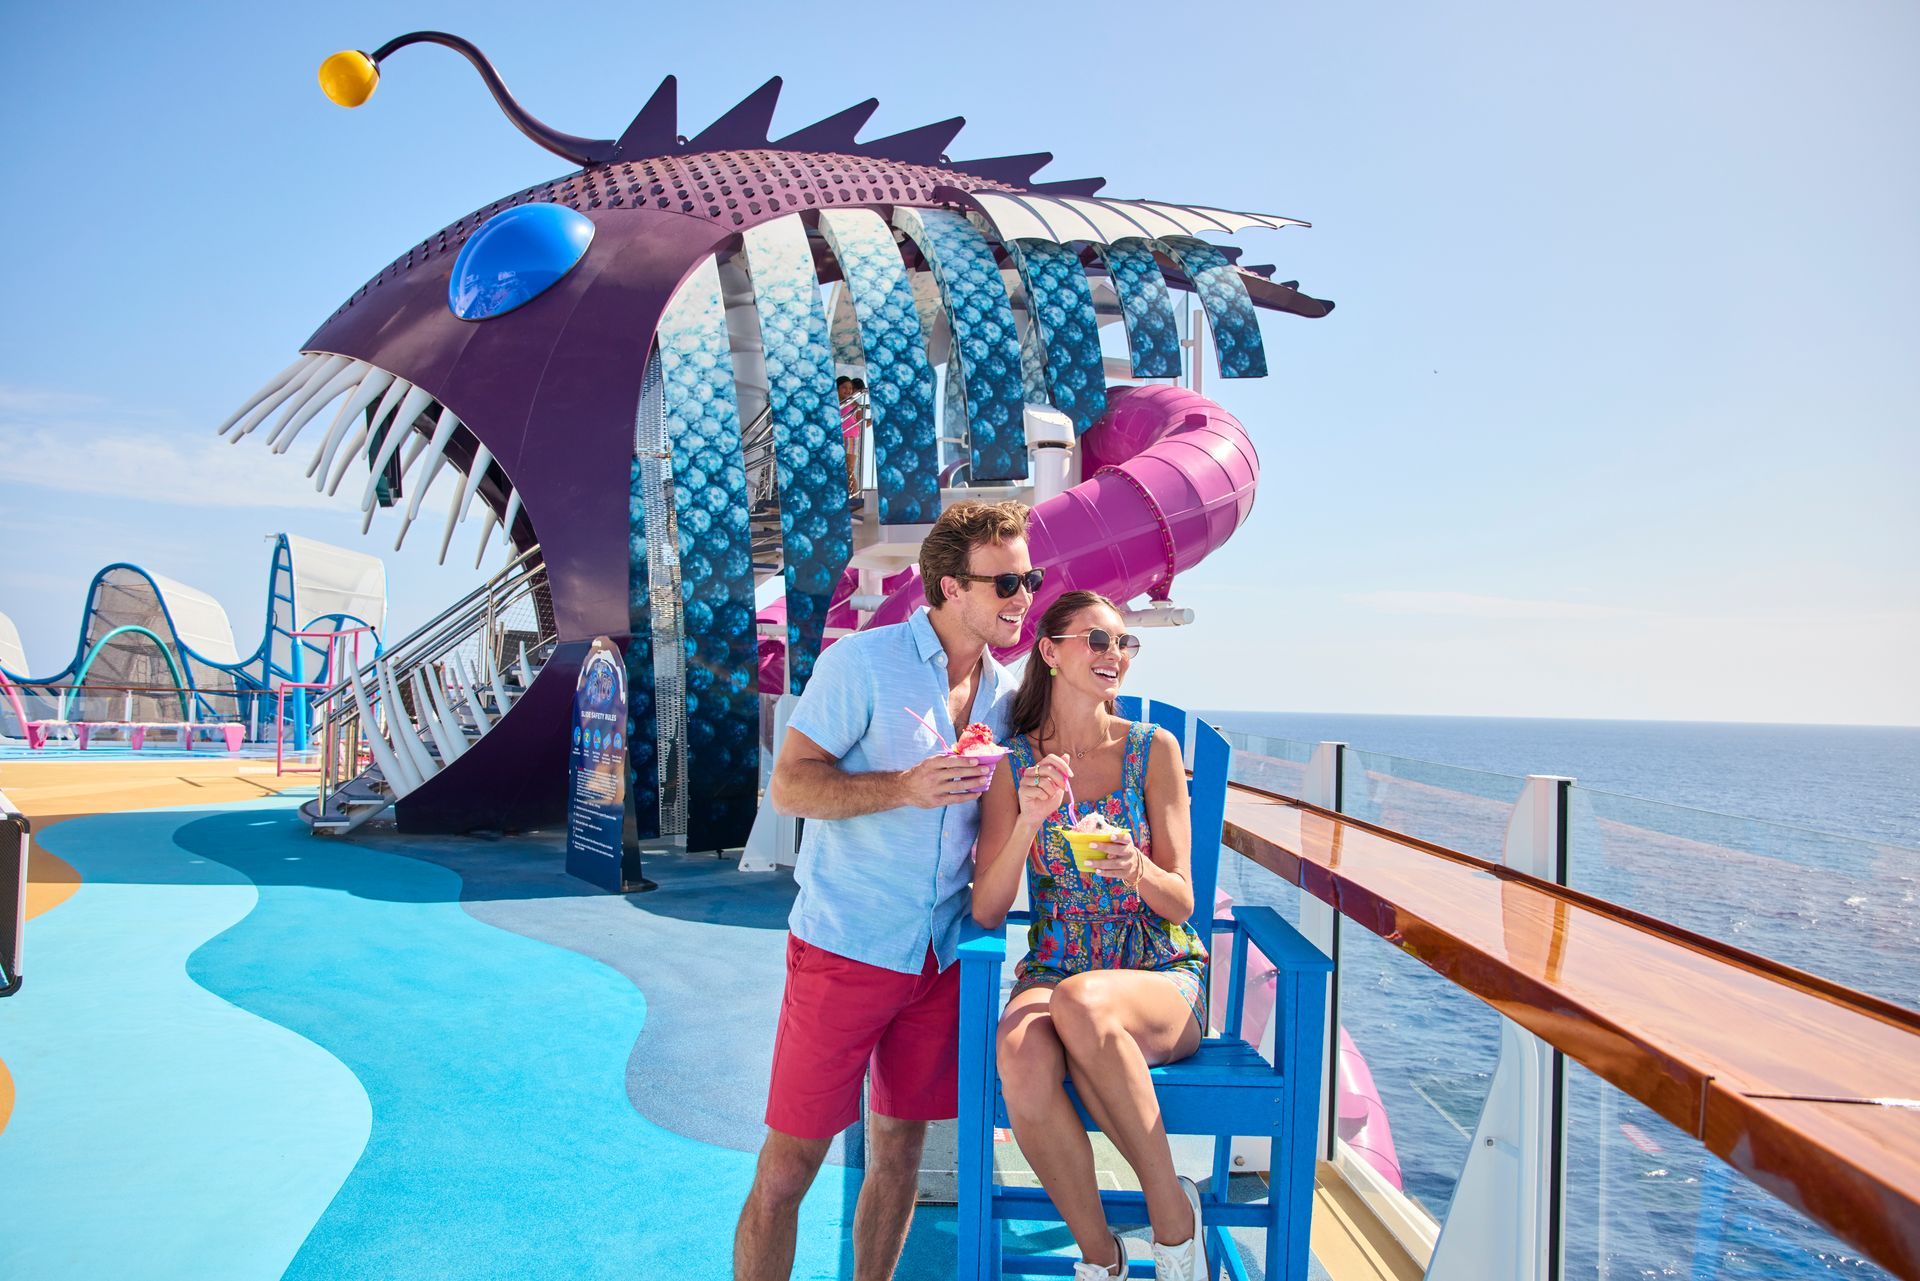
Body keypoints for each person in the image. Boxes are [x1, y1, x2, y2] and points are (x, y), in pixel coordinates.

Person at [733, 499, 1044, 1281]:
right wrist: (903, 786)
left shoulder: (1007, 696)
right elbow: (792, 788)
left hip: (938, 960)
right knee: (789, 1167)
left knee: (902, 1148)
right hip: (847, 947)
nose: (1022, 596)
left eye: (1029, 578)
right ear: (948, 588)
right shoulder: (861, 664)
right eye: (1004, 581)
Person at [972, 590, 1210, 1281]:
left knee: (1082, 1003)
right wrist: (1028, 819)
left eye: (1124, 644)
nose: (1115, 655)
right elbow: (987, 910)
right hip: (1056, 968)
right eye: (1097, 641)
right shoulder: (1013, 765)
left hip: (1159, 972)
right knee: (1018, 1050)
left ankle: (1173, 1221)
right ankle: (1102, 1257)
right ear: (1049, 651)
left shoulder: (1151, 750)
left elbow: (1184, 899)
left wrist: (1134, 866)